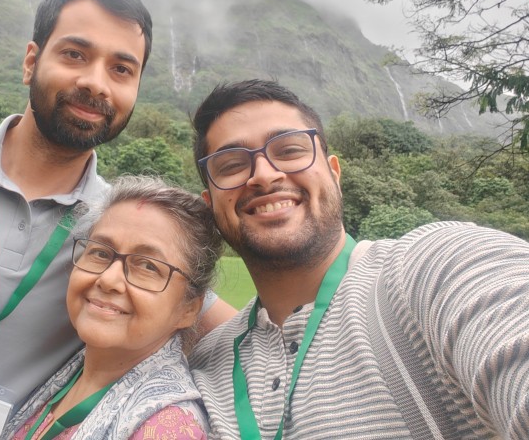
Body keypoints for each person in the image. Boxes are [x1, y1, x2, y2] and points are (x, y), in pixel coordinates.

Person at [0, 0, 234, 440]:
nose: (96, 83)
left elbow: (235, 334)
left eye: (121, 69)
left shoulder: (116, 229)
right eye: (75, 54)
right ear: (31, 61)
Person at [189, 79, 529, 439]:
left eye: (289, 150)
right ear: (210, 205)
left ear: (334, 174)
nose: (264, 175)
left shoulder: (434, 267)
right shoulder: (204, 365)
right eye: (231, 165)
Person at [1, 175, 223, 439]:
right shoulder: (70, 374)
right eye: (100, 252)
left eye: (148, 266)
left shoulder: (167, 429)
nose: (108, 279)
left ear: (189, 309)